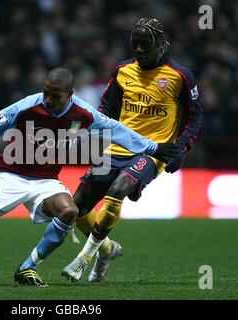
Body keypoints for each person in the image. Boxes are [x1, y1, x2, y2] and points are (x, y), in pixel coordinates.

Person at [0, 67, 179, 287]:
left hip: (46, 180)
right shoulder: (28, 106)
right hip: (9, 174)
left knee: (69, 210)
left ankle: (27, 269)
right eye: (46, 93)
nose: (47, 99)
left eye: (55, 95)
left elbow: (118, 131)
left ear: (70, 94)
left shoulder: (83, 113)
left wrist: (154, 148)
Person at [61, 18, 203, 283]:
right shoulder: (123, 71)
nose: (138, 50)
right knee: (76, 207)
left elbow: (194, 117)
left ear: (160, 44)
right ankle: (106, 250)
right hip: (117, 147)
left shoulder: (180, 76)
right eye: (135, 45)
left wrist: (181, 148)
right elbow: (107, 109)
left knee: (118, 191)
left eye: (144, 45)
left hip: (153, 152)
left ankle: (83, 258)